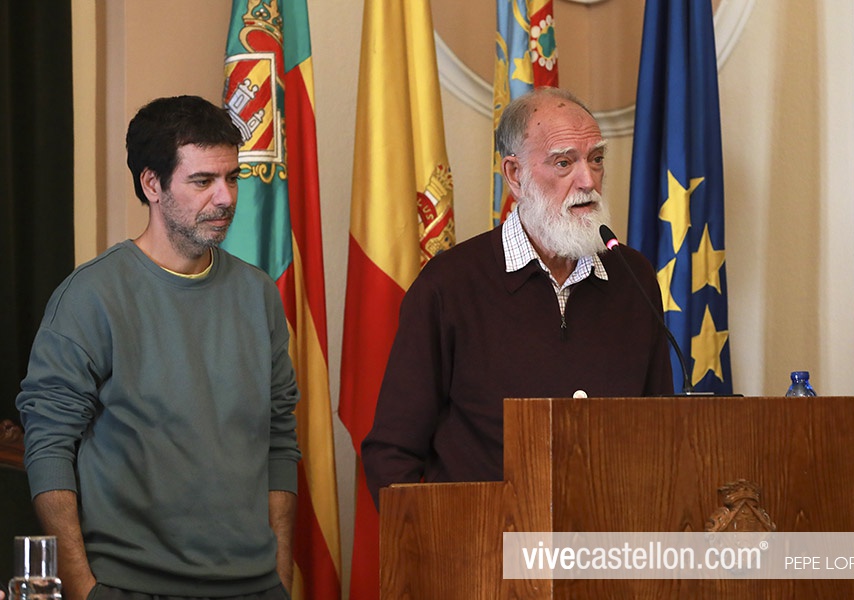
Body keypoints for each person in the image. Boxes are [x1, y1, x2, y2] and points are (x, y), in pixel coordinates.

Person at [16, 96, 301, 600]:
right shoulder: (90, 296)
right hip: (130, 587)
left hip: (255, 586)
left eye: (232, 177)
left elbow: (279, 438)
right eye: (202, 181)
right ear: (152, 184)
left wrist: (279, 575)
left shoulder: (258, 294)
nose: (225, 197)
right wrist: (84, 590)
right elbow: (49, 447)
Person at [361, 87, 673, 509]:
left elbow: (660, 435)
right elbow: (392, 454)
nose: (588, 181)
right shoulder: (449, 285)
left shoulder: (632, 277)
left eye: (596, 159)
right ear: (515, 175)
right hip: (484, 542)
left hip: (609, 541)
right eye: (564, 162)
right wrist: (432, 542)